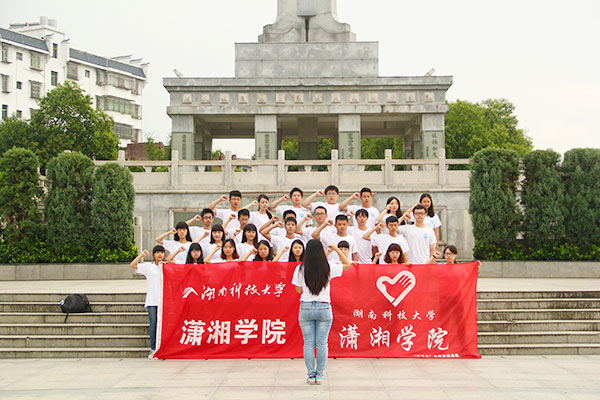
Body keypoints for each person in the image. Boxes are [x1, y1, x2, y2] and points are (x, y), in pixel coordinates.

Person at [292, 239, 352, 385]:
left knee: (308, 343)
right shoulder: (328, 267)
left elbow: (298, 290)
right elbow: (347, 264)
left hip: (306, 307)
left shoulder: (300, 269)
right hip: (324, 307)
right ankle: (319, 376)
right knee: (322, 343)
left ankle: (310, 375)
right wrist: (336, 249)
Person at [129, 246, 164, 357]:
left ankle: (162, 347)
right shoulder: (149, 266)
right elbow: (133, 265)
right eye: (157, 253)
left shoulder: (166, 266)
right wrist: (141, 255)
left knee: (163, 325)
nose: (160, 255)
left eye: (162, 253)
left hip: (164, 300)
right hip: (152, 300)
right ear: (153, 255)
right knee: (153, 323)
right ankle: (153, 348)